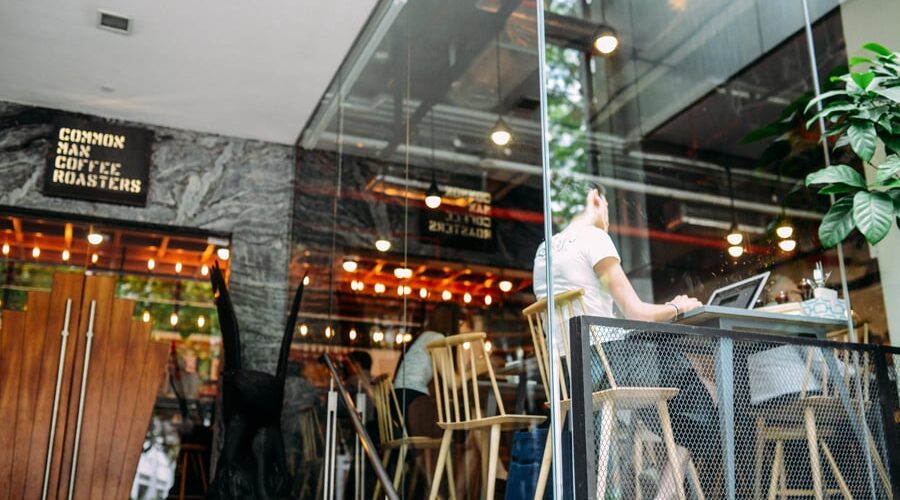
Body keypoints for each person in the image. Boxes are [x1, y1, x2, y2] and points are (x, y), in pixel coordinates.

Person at [532, 181, 711, 499]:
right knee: (701, 403)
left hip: (566, 373)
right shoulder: (594, 237)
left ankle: (657, 477)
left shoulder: (544, 249)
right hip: (605, 366)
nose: (608, 215)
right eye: (607, 206)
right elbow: (635, 312)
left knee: (671, 396)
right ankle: (665, 493)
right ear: (595, 198)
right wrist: (677, 306)